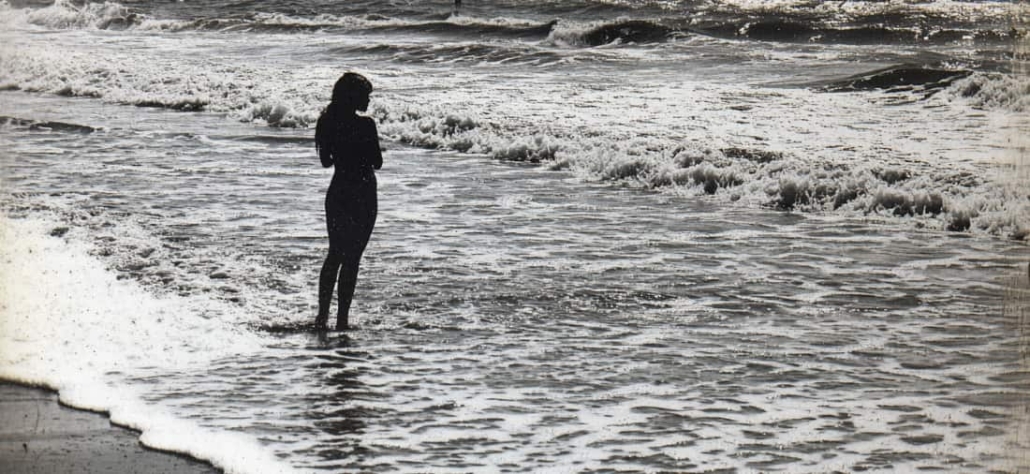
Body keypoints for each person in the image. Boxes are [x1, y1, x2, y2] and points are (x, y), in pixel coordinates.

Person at [314, 72, 382, 330]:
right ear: (353, 96)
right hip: (363, 193)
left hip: (339, 191)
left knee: (334, 254)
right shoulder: (366, 125)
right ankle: (342, 319)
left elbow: (326, 161)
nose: (368, 100)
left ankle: (322, 316)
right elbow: (377, 162)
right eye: (366, 95)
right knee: (352, 258)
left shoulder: (327, 122)